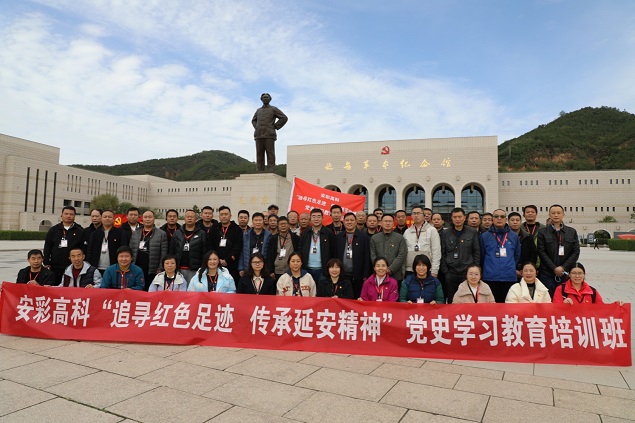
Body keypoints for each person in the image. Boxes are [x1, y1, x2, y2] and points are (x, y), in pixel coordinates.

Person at [537, 204, 580, 298]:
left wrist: (563, 267)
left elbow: (576, 252)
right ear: (549, 215)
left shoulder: (571, 232)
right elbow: (541, 252)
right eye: (553, 213)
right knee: (548, 300)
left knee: (565, 299)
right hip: (547, 273)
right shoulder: (542, 232)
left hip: (566, 273)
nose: (556, 215)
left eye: (558, 213)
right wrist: (554, 268)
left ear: (563, 215)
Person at [440, 208, 481, 304]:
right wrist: (445, 270)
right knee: (451, 299)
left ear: (464, 218)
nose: (457, 219)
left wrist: (474, 269)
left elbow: (476, 251)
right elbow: (442, 252)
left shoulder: (472, 232)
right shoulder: (445, 233)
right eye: (455, 217)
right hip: (451, 272)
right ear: (451, 219)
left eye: (459, 217)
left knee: (467, 298)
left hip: (467, 272)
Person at [480, 209, 520, 303]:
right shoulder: (484, 236)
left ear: (506, 219)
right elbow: (482, 255)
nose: (499, 219)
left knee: (508, 306)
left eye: (502, 217)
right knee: (492, 307)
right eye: (496, 216)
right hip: (490, 277)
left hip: (509, 277)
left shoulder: (513, 236)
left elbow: (517, 255)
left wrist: (510, 266)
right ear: (492, 219)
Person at [43, 205, 85, 283]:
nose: (68, 216)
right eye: (66, 214)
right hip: (56, 265)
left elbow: (83, 248)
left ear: (74, 216)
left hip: (73, 265)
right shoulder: (54, 230)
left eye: (71, 214)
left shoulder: (80, 231)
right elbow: (48, 246)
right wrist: (46, 261)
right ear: (61, 215)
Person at [129, 210, 168, 290]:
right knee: (137, 289)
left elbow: (164, 252)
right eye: (145, 217)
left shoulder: (161, 234)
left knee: (149, 290)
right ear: (142, 219)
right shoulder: (136, 232)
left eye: (150, 217)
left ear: (154, 218)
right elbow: (131, 249)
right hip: (137, 266)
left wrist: (160, 267)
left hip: (152, 268)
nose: (147, 219)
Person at [335, 212, 371, 299]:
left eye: (352, 220)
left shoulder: (363, 237)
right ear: (343, 222)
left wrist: (365, 275)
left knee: (356, 298)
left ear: (356, 222)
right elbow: (335, 255)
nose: (349, 222)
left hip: (358, 276)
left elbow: (367, 257)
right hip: (342, 275)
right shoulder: (339, 237)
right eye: (347, 220)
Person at [252, 92, 288, 171]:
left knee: (270, 152)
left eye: (267, 97)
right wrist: (256, 127)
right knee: (259, 153)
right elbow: (253, 120)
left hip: (269, 134)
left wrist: (275, 126)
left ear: (270, 99)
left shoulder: (273, 109)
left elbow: (284, 118)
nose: (265, 98)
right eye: (264, 97)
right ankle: (259, 169)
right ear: (261, 99)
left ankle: (271, 169)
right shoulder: (258, 110)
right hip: (258, 134)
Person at [299, 208, 336, 282]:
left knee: (321, 292)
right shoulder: (305, 233)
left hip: (323, 270)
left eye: (319, 216)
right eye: (314, 216)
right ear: (310, 218)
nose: (316, 219)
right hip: (307, 269)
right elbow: (300, 249)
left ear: (322, 218)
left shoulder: (329, 233)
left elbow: (333, 251)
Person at [403, 205, 441, 279]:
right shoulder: (407, 232)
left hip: (427, 269)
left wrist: (434, 270)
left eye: (418, 213)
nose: (416, 216)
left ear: (424, 216)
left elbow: (436, 252)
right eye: (414, 213)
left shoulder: (432, 230)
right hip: (410, 269)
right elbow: (404, 252)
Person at [170, 209, 207, 283]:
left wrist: (202, 268)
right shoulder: (177, 233)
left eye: (192, 217)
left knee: (191, 291)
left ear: (196, 219)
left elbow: (204, 252)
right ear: (184, 218)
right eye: (188, 217)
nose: (189, 218)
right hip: (179, 268)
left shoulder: (202, 233)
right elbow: (172, 250)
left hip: (194, 269)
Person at [370, 214, 407, 282]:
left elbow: (401, 255)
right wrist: (380, 268)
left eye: (390, 221)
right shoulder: (374, 238)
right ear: (381, 223)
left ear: (393, 223)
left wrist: (390, 269)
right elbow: (373, 255)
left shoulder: (400, 238)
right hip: (379, 274)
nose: (388, 223)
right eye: (385, 221)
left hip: (396, 274)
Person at [87, 210, 125, 275]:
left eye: (109, 217)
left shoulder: (120, 233)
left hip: (114, 267)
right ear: (101, 219)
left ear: (113, 219)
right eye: (105, 217)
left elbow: (123, 250)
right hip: (96, 268)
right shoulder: (95, 234)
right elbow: (90, 250)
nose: (107, 218)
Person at [214, 206, 243, 283]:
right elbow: (211, 245)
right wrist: (217, 259)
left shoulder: (237, 229)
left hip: (232, 264)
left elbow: (238, 247)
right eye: (221, 214)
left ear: (230, 215)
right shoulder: (215, 228)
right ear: (219, 216)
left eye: (226, 214)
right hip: (216, 264)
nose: (224, 216)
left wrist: (227, 260)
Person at [265, 216, 300, 281]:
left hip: (292, 270)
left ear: (289, 225)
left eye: (285, 224)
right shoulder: (273, 239)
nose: (283, 226)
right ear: (277, 226)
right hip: (277, 271)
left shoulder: (295, 238)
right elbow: (269, 256)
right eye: (281, 224)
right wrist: (271, 271)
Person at [508, 212, 537, 281]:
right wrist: (513, 269)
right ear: (508, 222)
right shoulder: (504, 237)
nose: (515, 222)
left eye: (517, 220)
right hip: (509, 270)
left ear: (521, 222)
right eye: (512, 220)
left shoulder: (527, 236)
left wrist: (526, 270)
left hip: (526, 271)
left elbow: (533, 254)